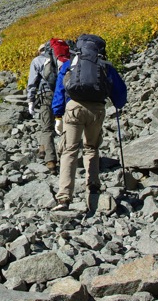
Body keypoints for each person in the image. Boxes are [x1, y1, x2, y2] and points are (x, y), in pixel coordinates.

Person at [51, 34, 127, 210]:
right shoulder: (105, 66)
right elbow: (120, 95)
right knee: (91, 148)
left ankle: (64, 198)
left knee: (69, 150)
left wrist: (58, 115)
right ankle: (93, 188)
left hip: (74, 108)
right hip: (97, 110)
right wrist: (117, 104)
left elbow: (60, 90)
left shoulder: (72, 64)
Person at [26, 41, 68, 172]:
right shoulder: (64, 59)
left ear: (40, 51)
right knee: (67, 126)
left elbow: (32, 82)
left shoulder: (37, 61)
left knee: (47, 128)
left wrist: (30, 100)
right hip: (65, 94)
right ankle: (64, 155)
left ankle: (50, 161)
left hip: (47, 96)